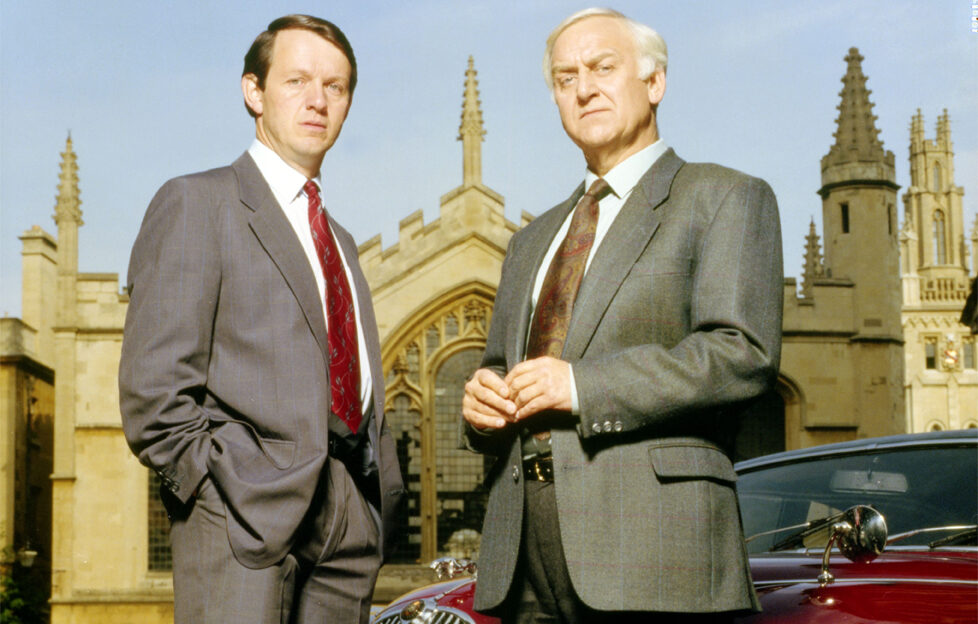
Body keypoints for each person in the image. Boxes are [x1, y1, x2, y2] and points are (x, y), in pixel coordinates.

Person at [461, 8, 782, 623]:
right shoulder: (531, 241)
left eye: (602, 67)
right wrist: (480, 407)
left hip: (655, 553)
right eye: (564, 78)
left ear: (654, 82)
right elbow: (499, 370)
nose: (583, 88)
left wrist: (581, 385)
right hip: (523, 557)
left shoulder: (724, 197)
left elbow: (742, 354)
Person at [118, 15, 403, 623]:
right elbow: (153, 396)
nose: (317, 100)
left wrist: (367, 501)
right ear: (254, 91)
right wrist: (219, 493)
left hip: (347, 524)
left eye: (336, 86)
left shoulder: (341, 240)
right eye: (297, 80)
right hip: (242, 523)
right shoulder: (198, 202)